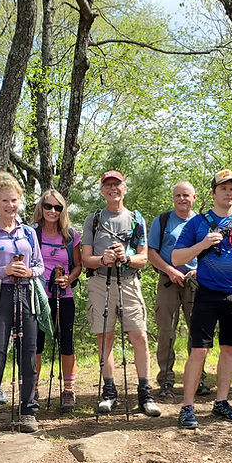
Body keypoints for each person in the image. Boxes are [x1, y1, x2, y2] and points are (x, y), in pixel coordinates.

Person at [172, 169, 232, 429]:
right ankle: (187, 406)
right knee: (199, 350)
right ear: (213, 193)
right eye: (223, 188)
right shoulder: (198, 223)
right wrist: (201, 245)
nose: (229, 192)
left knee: (229, 349)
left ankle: (221, 402)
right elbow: (177, 259)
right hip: (207, 293)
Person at [82, 171, 161, 418]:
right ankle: (109, 392)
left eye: (117, 184)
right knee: (105, 338)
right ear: (102, 190)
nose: (113, 189)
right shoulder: (93, 220)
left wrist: (126, 258)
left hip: (128, 283)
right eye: (108, 185)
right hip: (99, 283)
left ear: (124, 188)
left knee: (139, 336)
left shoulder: (136, 219)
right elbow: (86, 259)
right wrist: (102, 259)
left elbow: (143, 258)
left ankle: (145, 392)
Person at [0, 172, 45, 433]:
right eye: (5, 201)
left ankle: (28, 411)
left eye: (14, 200)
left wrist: (29, 272)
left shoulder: (28, 233)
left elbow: (39, 266)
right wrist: (5, 271)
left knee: (29, 355)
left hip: (26, 294)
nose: (10, 205)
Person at [147, 181, 208, 398]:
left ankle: (197, 379)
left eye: (186, 195)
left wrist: (199, 271)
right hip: (167, 282)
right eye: (178, 195)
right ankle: (166, 381)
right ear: (173, 198)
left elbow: (210, 252)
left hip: (196, 283)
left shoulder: (203, 222)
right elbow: (151, 252)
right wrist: (170, 270)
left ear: (194, 198)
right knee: (166, 333)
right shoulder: (162, 221)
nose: (182, 199)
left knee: (198, 332)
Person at [31, 189, 83, 412]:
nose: (52, 211)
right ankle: (32, 389)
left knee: (66, 342)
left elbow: (79, 265)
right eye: (48, 206)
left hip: (64, 295)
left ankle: (69, 390)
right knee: (36, 343)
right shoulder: (32, 233)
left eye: (58, 207)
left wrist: (68, 279)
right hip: (37, 295)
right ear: (41, 208)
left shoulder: (71, 236)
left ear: (63, 210)